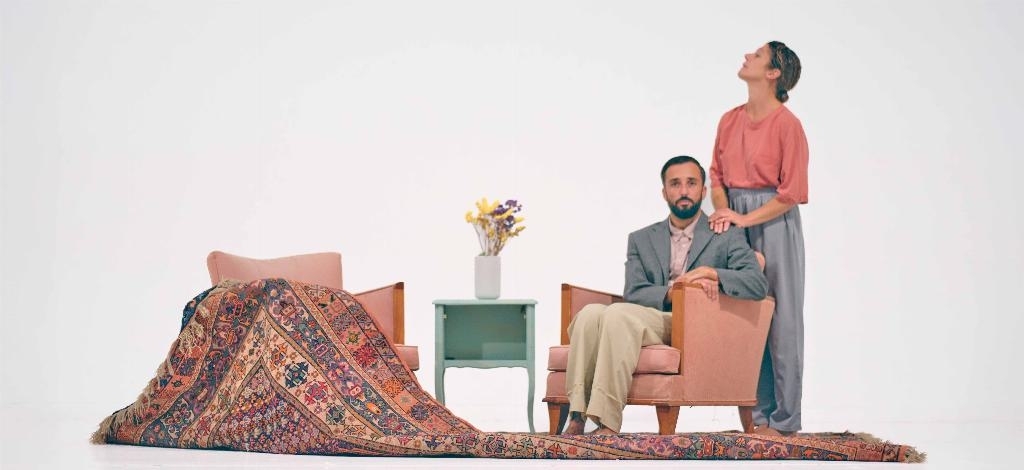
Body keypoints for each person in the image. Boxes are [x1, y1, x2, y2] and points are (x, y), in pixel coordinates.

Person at [563, 155, 768, 435]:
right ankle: (576, 414)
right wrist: (674, 291)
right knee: (589, 314)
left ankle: (607, 422)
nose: (683, 191)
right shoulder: (641, 238)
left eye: (691, 183)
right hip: (649, 315)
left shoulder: (726, 235)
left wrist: (711, 273)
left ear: (703, 191)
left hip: (693, 323)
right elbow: (634, 291)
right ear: (664, 192)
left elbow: (757, 284)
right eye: (675, 184)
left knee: (617, 316)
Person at [708, 41, 808, 437]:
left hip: (775, 223)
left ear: (773, 73)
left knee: (782, 319)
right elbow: (716, 177)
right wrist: (726, 216)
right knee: (747, 319)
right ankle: (758, 417)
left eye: (758, 55)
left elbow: (792, 191)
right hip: (735, 223)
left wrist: (745, 217)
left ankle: (784, 420)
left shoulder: (788, 125)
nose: (747, 56)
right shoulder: (729, 120)